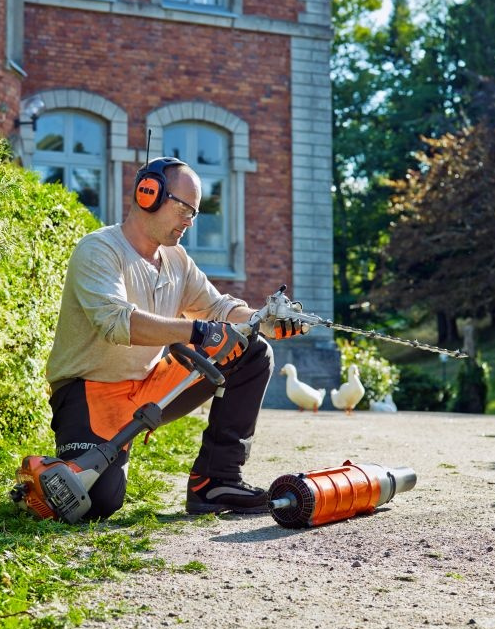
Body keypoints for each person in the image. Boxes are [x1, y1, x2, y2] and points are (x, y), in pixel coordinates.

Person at [45, 157, 306, 520]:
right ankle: (71, 461)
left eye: (195, 212)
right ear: (148, 193)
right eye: (184, 208)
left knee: (250, 349)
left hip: (149, 386)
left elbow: (217, 307)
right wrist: (198, 331)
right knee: (99, 503)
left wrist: (265, 321)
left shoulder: (176, 260)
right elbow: (117, 323)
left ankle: (216, 482)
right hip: (89, 392)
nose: (189, 220)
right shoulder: (99, 250)